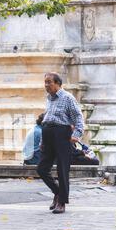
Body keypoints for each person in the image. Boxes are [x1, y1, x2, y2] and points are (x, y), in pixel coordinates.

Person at [37, 72, 84, 214]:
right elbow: (47, 118)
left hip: (62, 134)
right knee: (42, 169)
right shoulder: (49, 98)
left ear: (57, 83)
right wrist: (41, 140)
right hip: (47, 134)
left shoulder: (67, 98)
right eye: (45, 82)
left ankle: (62, 202)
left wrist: (77, 134)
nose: (46, 85)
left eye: (49, 82)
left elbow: (78, 117)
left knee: (62, 170)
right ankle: (58, 193)